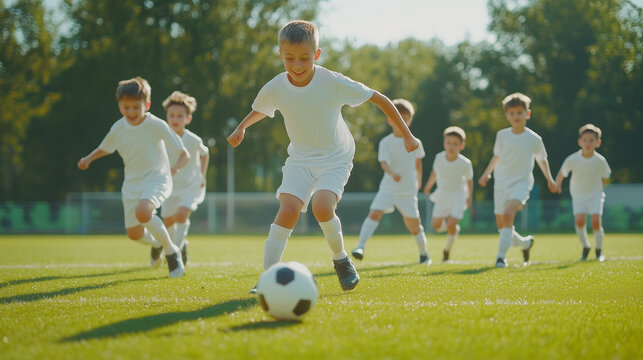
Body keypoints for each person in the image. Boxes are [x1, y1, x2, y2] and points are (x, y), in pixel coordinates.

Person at [227, 20, 420, 292]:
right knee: (288, 210)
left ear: (316, 55)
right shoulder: (276, 87)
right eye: (289, 58)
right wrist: (241, 127)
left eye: (304, 58)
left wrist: (408, 136)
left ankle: (341, 260)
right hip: (300, 160)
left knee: (321, 206)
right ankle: (268, 279)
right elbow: (263, 108)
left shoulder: (333, 82)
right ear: (280, 55)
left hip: (335, 159)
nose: (296, 65)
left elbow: (380, 99)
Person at [77, 76, 189, 277]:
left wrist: (173, 170)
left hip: (157, 179)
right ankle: (157, 244)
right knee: (134, 234)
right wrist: (88, 159)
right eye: (125, 107)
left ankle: (172, 252)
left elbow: (184, 154)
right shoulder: (119, 128)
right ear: (119, 105)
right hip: (131, 184)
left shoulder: (156, 124)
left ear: (146, 104)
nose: (131, 112)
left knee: (143, 212)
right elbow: (105, 147)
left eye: (136, 107)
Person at [478, 92, 557, 268]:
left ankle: (500, 258)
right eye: (512, 113)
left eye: (519, 113)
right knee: (503, 227)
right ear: (507, 115)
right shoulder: (502, 135)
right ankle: (526, 243)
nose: (516, 116)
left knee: (508, 215)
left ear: (527, 114)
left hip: (521, 184)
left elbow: (542, 160)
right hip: (501, 184)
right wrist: (485, 174)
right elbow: (496, 157)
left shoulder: (534, 139)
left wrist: (550, 180)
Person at [351, 99, 429, 264]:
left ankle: (424, 255)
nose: (401, 121)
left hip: (407, 191)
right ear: (389, 119)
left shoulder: (416, 142)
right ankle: (360, 247)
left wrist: (418, 183)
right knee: (374, 214)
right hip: (388, 188)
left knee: (414, 227)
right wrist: (393, 174)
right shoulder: (385, 142)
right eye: (396, 117)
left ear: (410, 120)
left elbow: (418, 164)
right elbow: (384, 163)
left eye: (404, 118)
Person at [161, 91, 209, 266]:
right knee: (168, 221)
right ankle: (180, 245)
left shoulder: (194, 140)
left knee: (181, 215)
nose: (175, 119)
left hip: (191, 186)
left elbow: (205, 154)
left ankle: (174, 253)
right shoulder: (162, 139)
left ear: (187, 119)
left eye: (180, 116)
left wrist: (202, 176)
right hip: (169, 187)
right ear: (166, 117)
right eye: (172, 115)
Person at [555, 124, 611, 262]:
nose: (588, 143)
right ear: (580, 142)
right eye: (585, 140)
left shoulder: (600, 160)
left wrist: (600, 189)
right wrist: (557, 185)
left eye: (591, 140)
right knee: (579, 223)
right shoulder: (573, 159)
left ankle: (598, 250)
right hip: (578, 196)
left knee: (596, 222)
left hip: (595, 195)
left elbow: (606, 177)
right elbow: (562, 173)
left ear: (597, 143)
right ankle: (586, 246)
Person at [422, 126, 473, 262]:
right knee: (437, 226)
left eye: (455, 144)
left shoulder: (465, 163)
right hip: (442, 195)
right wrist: (428, 186)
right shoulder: (438, 158)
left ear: (461, 146)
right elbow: (434, 173)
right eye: (448, 143)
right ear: (444, 143)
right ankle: (453, 230)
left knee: (451, 224)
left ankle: (447, 251)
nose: (451, 146)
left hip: (458, 196)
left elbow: (469, 181)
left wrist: (469, 198)